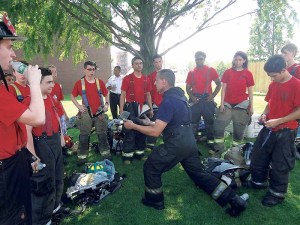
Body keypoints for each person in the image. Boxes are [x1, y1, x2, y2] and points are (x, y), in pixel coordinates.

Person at [124, 69, 247, 217]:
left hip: (176, 143)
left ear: (164, 81)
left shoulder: (168, 101)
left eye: (156, 80)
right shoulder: (179, 97)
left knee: (151, 166)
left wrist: (133, 126)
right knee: (199, 175)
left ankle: (154, 200)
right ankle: (234, 200)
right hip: (189, 142)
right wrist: (149, 123)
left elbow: (156, 132)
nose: (154, 83)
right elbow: (171, 122)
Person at [0, 12, 45, 225]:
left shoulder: (3, 84)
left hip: (14, 162)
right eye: (9, 47)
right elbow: (37, 118)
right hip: (5, 170)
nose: (14, 53)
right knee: (14, 218)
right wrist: (35, 82)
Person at [245, 55, 300, 207]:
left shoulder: (297, 85)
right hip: (269, 128)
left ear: (283, 70)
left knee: (280, 164)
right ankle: (258, 182)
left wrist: (279, 120)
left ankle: (277, 194)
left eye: (274, 76)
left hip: (286, 131)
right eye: (270, 76)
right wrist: (264, 114)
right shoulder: (273, 84)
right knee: (258, 156)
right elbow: (270, 103)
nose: (272, 79)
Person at [26, 68, 65, 225]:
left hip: (55, 142)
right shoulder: (30, 100)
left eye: (53, 81)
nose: (52, 84)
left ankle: (54, 209)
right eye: (48, 82)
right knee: (44, 184)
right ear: (38, 83)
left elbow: (56, 116)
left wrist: (61, 136)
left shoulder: (51, 98)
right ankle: (42, 220)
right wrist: (33, 156)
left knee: (58, 178)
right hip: (41, 144)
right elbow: (27, 132)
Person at [212, 51, 254, 157]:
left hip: (242, 104)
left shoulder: (248, 73)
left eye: (240, 60)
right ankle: (219, 149)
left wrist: (251, 106)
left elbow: (250, 91)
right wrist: (222, 104)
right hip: (227, 104)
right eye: (236, 59)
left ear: (244, 61)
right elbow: (224, 89)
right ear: (233, 60)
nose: (238, 62)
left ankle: (235, 151)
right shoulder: (228, 72)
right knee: (218, 126)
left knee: (239, 131)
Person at [71, 60, 110, 165]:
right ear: (84, 70)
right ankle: (82, 157)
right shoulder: (80, 83)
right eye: (89, 69)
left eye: (93, 69)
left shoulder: (99, 82)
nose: (92, 72)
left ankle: (106, 153)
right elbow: (72, 96)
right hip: (86, 113)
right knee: (84, 135)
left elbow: (107, 93)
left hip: (99, 112)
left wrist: (106, 104)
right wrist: (79, 106)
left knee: (102, 133)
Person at [120, 56, 153, 164]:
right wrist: (121, 110)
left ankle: (140, 153)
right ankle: (127, 156)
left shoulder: (146, 79)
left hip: (142, 107)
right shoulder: (127, 78)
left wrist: (151, 109)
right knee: (129, 130)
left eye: (141, 63)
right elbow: (123, 94)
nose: (139, 65)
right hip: (130, 107)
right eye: (137, 63)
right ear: (132, 65)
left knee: (142, 130)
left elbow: (148, 95)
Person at [186, 51, 221, 145]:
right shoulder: (191, 73)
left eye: (201, 59)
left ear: (204, 59)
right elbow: (187, 88)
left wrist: (212, 96)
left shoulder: (211, 70)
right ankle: (192, 143)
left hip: (207, 100)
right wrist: (192, 97)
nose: (199, 61)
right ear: (195, 60)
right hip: (195, 101)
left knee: (209, 122)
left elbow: (219, 84)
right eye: (197, 59)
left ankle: (210, 142)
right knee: (193, 123)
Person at [281, 43, 300, 159]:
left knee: (293, 129)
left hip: (294, 104)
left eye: (286, 53)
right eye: (282, 53)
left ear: (293, 53)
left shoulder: (297, 68)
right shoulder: (283, 69)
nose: (283, 55)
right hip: (283, 103)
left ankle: (292, 153)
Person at [147, 54, 163, 149]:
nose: (158, 64)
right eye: (156, 62)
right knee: (154, 124)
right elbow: (148, 93)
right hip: (155, 104)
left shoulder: (168, 74)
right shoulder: (150, 76)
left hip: (167, 104)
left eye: (159, 61)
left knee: (168, 124)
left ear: (162, 62)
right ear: (153, 63)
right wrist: (151, 107)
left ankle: (170, 144)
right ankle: (150, 145)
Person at [48, 65, 68, 135]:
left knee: (63, 133)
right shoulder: (44, 87)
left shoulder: (57, 86)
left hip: (60, 113)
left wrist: (65, 113)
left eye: (55, 72)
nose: (54, 74)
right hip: (51, 115)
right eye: (52, 72)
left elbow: (59, 101)